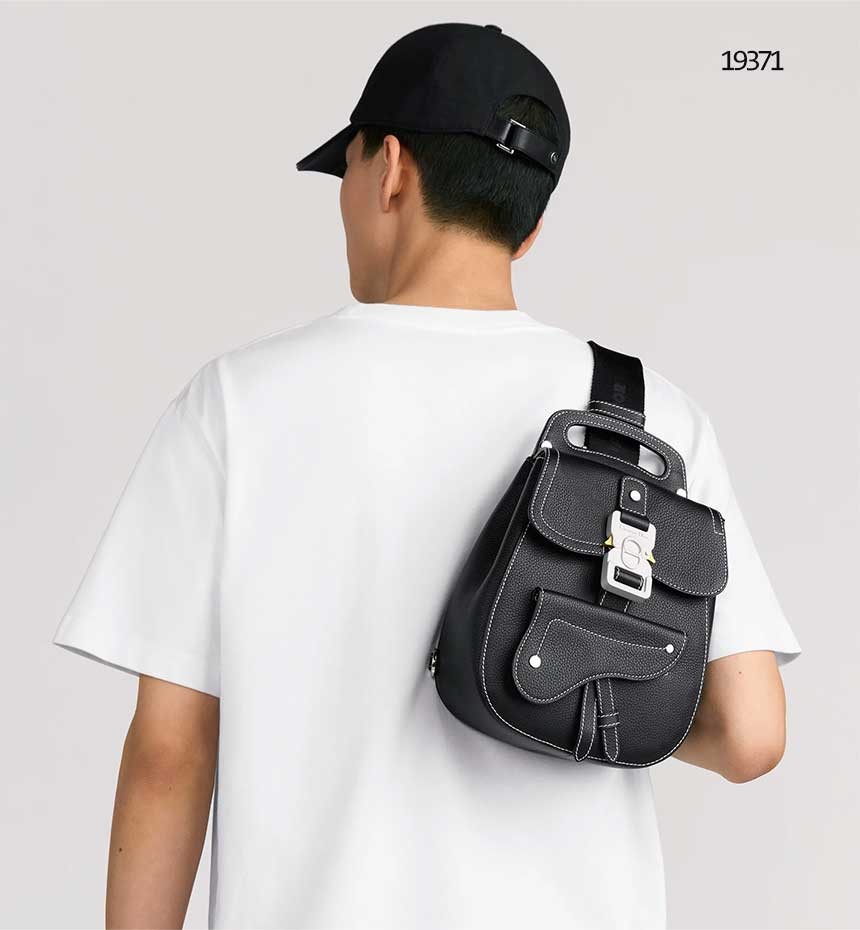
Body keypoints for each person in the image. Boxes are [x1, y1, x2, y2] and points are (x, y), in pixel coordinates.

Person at [53, 21, 801, 930]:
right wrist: (570, 680)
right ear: (529, 229)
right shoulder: (648, 421)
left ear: (390, 170)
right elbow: (752, 735)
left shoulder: (236, 405)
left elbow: (171, 755)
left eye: (346, 170)